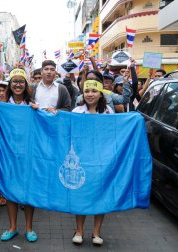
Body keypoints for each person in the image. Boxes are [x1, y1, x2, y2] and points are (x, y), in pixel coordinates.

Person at [0, 68, 38, 243]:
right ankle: (12, 227)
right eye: (14, 81)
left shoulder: (32, 105)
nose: (18, 84)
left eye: (21, 81)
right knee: (10, 191)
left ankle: (29, 228)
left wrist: (39, 111)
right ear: (10, 85)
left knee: (28, 191)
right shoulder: (1, 106)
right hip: (8, 155)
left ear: (26, 85)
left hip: (28, 155)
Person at [71, 79, 114, 246]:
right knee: (81, 195)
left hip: (103, 161)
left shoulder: (108, 112)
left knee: (100, 195)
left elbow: (113, 134)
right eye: (87, 91)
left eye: (94, 91)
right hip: (81, 160)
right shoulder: (76, 111)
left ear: (100, 93)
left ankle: (96, 232)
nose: (90, 94)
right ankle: (79, 231)